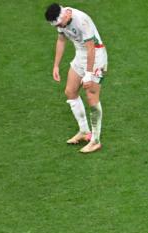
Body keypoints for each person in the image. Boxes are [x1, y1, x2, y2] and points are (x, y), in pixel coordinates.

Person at [44, 3, 107, 154]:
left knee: (91, 96)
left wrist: (88, 74)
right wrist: (56, 66)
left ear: (65, 15)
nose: (59, 27)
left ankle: (95, 141)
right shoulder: (61, 20)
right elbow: (61, 40)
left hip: (96, 56)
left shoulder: (82, 21)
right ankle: (84, 131)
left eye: (59, 24)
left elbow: (91, 48)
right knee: (70, 92)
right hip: (80, 55)